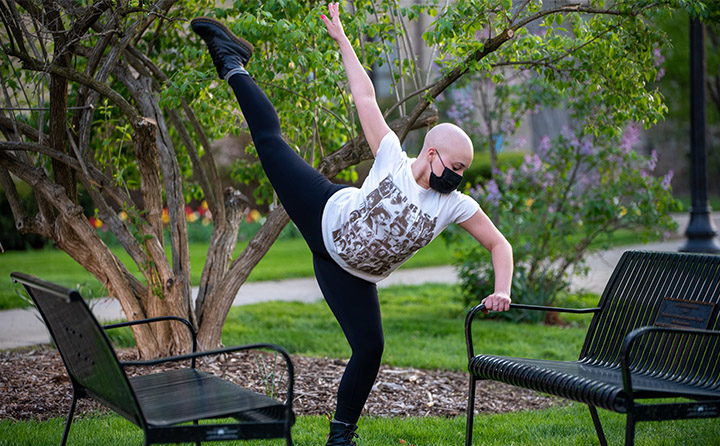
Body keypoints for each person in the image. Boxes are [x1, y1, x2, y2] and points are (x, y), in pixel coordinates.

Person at [191, 3, 513, 444]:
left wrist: (502, 289)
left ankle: (341, 434)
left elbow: (499, 245)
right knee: (269, 142)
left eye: (464, 170)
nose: (458, 176)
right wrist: (343, 41)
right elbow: (365, 97)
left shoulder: (454, 204)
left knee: (370, 349)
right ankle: (232, 61)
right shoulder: (393, 156)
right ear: (433, 155)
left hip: (351, 275)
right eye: (455, 166)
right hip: (322, 211)